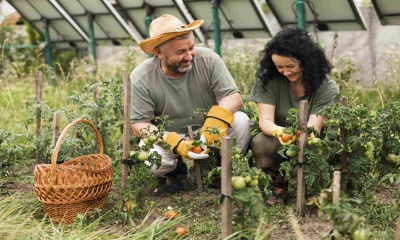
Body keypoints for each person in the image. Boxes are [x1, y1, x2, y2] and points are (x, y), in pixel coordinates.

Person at [130, 14, 252, 193]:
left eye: (191, 48)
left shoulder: (208, 59)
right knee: (150, 160)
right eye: (180, 52)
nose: (189, 56)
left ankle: (224, 168)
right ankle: (175, 170)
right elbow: (139, 124)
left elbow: (233, 98)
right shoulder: (142, 77)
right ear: (158, 52)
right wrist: (174, 142)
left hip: (207, 128)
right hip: (168, 134)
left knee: (241, 121)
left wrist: (213, 123)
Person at [249, 27, 340, 205]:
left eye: (291, 66)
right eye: (279, 67)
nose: (286, 72)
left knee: (312, 149)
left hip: (315, 140)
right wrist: (278, 131)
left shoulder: (326, 87)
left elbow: (314, 128)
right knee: (261, 143)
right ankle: (277, 186)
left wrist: (299, 135)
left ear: (306, 61)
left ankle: (312, 185)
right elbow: (265, 121)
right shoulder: (268, 81)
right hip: (280, 138)